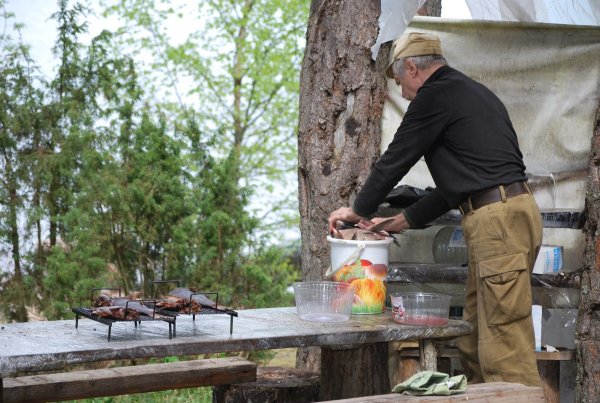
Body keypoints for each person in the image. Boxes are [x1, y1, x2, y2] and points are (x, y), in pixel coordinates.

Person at [327, 32, 543, 387]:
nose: (402, 93)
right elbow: (460, 185)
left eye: (400, 82)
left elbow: (396, 158)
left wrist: (358, 211)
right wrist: (402, 220)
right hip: (509, 212)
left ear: (412, 67)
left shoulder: (434, 96)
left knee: (504, 347)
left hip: (497, 221)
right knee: (474, 341)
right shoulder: (472, 93)